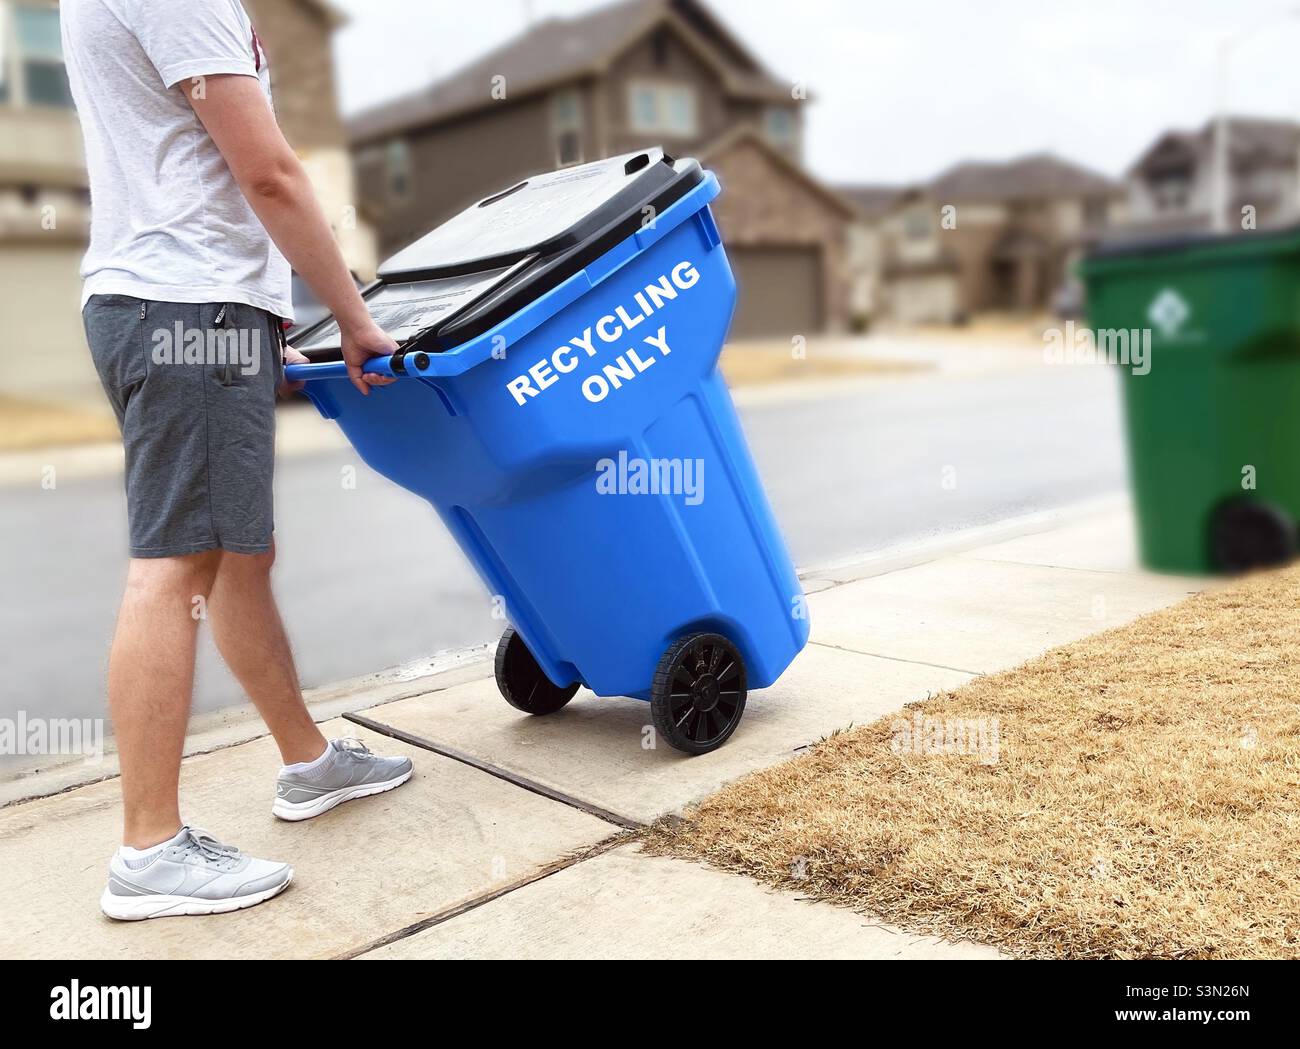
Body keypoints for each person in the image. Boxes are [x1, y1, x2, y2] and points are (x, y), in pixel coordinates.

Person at [61, 0, 413, 921]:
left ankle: (309, 763)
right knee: (178, 558)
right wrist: (354, 316)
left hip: (188, 306)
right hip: (189, 308)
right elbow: (269, 174)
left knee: (234, 554)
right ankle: (148, 849)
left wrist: (265, 327)